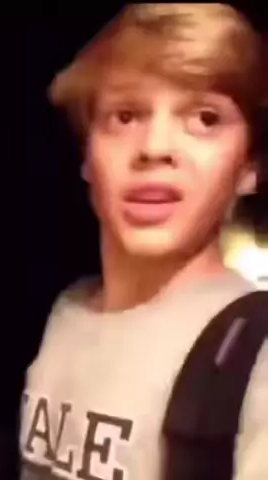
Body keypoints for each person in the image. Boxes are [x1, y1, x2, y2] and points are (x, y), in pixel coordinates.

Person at [20, 4, 268, 479]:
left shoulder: (256, 356)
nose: (155, 148)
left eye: (206, 118)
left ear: (249, 167)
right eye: (126, 115)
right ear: (88, 155)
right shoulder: (70, 313)